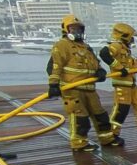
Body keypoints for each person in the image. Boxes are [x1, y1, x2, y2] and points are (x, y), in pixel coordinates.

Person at [46, 15, 121, 151]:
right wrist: (53, 84)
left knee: (101, 115)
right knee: (80, 118)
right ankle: (79, 143)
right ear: (66, 30)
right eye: (73, 29)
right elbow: (55, 65)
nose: (77, 32)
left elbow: (95, 62)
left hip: (89, 88)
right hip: (72, 89)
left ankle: (107, 139)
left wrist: (100, 71)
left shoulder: (86, 47)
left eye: (79, 29)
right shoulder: (62, 45)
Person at [98, 23, 137, 136]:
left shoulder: (125, 49)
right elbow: (104, 53)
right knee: (121, 111)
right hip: (122, 85)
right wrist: (120, 68)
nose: (132, 40)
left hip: (132, 85)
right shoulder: (116, 46)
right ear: (125, 36)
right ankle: (112, 134)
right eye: (131, 38)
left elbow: (128, 66)